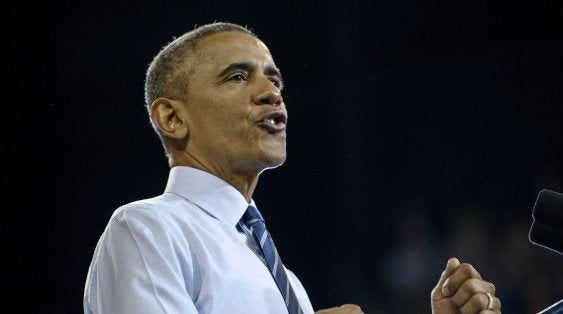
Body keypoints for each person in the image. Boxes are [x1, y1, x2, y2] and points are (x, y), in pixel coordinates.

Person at [83, 21, 502, 314]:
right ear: (172, 118)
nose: (271, 94)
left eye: (275, 80)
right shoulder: (147, 231)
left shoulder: (285, 281)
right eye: (237, 78)